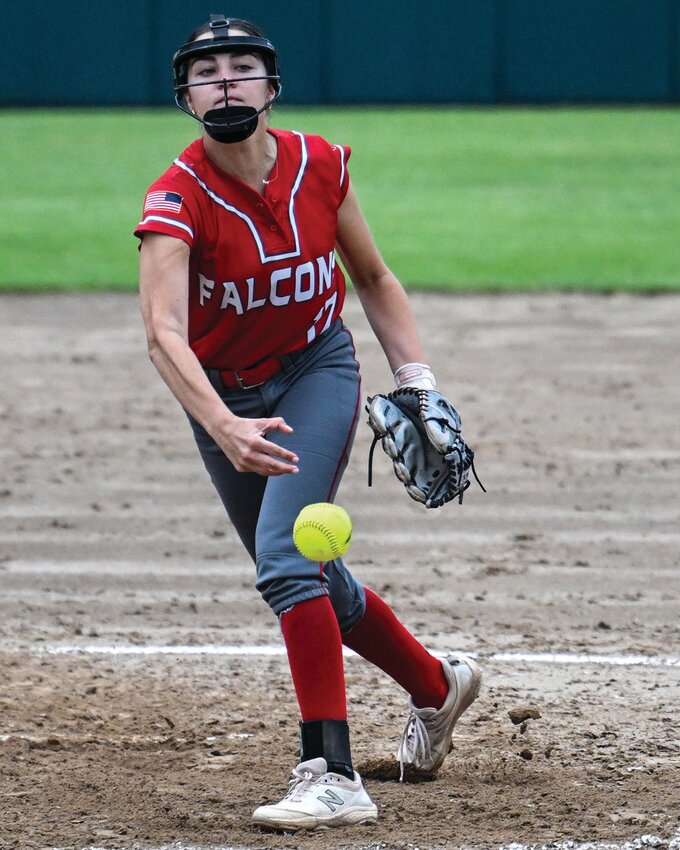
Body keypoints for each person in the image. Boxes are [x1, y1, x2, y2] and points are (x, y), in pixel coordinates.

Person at [135, 13, 481, 832]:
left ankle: (332, 771)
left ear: (271, 84)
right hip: (223, 395)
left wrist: (418, 381)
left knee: (287, 563)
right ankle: (437, 685)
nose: (224, 79)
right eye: (205, 69)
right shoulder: (177, 196)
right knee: (309, 574)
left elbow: (373, 275)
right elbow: (163, 332)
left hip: (314, 370)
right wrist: (221, 422)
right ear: (184, 93)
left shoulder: (320, 164)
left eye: (241, 65)